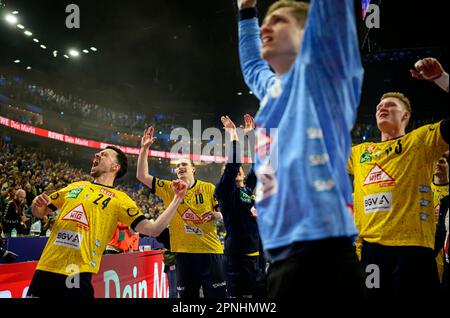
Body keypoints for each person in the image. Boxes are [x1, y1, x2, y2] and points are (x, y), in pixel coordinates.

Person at [236, 0, 365, 298]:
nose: (265, 27)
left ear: (309, 34)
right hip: (280, 258)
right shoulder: (271, 89)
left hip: (324, 254)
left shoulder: (326, 74)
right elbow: (253, 65)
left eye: (279, 21)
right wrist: (245, 12)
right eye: (265, 22)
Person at [27, 146, 187, 298]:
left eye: (104, 154)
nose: (97, 155)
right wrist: (36, 204)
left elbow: (153, 230)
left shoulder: (120, 199)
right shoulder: (76, 186)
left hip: (77, 273)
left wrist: (177, 199)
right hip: (45, 267)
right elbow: (40, 212)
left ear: (115, 167)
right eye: (98, 154)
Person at [348, 57, 449, 297]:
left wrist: (443, 79)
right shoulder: (359, 152)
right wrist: (248, 142)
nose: (381, 107)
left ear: (406, 116)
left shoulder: (422, 140)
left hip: (412, 250)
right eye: (378, 107)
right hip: (371, 252)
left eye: (390, 105)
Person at [137, 127, 226, 298]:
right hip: (184, 255)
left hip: (210, 253)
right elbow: (142, 175)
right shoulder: (169, 188)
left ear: (193, 169)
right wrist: (144, 149)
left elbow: (223, 215)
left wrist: (217, 215)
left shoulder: (208, 188)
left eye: (184, 164)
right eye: (177, 166)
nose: (180, 167)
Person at [215, 114, 266, 298]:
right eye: (233, 170)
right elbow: (233, 165)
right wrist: (233, 135)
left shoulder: (249, 188)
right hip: (237, 258)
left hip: (257, 255)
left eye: (240, 169)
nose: (237, 170)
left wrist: (251, 135)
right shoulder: (225, 192)